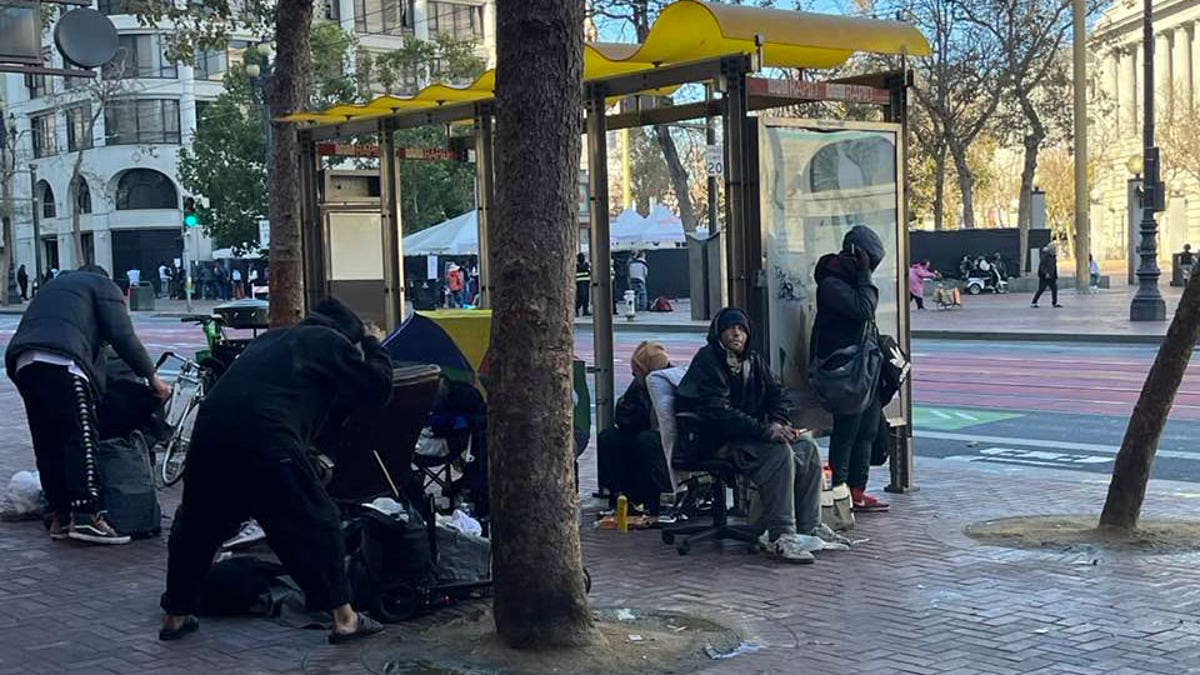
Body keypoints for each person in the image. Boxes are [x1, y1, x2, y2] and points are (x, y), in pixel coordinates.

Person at [158, 297, 392, 643]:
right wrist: (372, 342)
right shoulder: (328, 342)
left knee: (197, 525)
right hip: (266, 436)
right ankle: (345, 618)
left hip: (210, 433)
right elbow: (378, 387)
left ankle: (175, 615)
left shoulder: (271, 340)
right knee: (318, 520)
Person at [5, 265, 170, 544]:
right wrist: (152, 378)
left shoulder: (54, 288)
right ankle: (87, 518)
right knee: (80, 439)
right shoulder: (102, 286)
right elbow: (122, 336)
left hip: (24, 363)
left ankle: (60, 516)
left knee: (48, 441)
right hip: (64, 362)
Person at [675, 307, 843, 563]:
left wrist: (778, 422)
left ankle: (810, 527)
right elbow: (718, 413)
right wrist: (765, 431)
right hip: (715, 440)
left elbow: (778, 394)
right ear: (719, 333)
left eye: (741, 329)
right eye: (730, 328)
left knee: (806, 448)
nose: (736, 333)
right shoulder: (708, 360)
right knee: (778, 453)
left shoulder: (753, 360)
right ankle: (782, 535)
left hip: (748, 436)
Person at [813, 225, 889, 513]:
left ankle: (858, 490)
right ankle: (840, 492)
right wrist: (865, 276)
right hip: (843, 369)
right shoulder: (832, 283)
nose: (871, 266)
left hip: (863, 366)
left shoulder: (851, 281)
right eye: (869, 259)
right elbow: (864, 309)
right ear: (857, 255)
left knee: (867, 429)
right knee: (847, 431)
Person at [596, 341, 672, 516]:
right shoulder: (638, 386)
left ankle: (650, 498)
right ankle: (619, 494)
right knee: (608, 438)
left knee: (646, 440)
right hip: (641, 433)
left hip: (665, 439)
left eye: (638, 371)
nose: (635, 375)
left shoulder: (670, 383)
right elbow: (623, 417)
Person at [1031, 241, 1061, 308]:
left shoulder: (1053, 256)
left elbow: (1054, 266)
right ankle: (1034, 302)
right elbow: (1042, 265)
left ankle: (1054, 303)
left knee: (1054, 289)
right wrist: (1046, 273)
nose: (1057, 250)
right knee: (1041, 289)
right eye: (1055, 248)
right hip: (1044, 276)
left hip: (1051, 275)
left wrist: (1055, 275)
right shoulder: (1045, 255)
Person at [575, 253, 591, 317]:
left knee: (586, 297)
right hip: (580, 282)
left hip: (586, 282)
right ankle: (576, 308)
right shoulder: (577, 266)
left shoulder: (586, 265)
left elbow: (589, 272)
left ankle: (585, 310)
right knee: (582, 296)